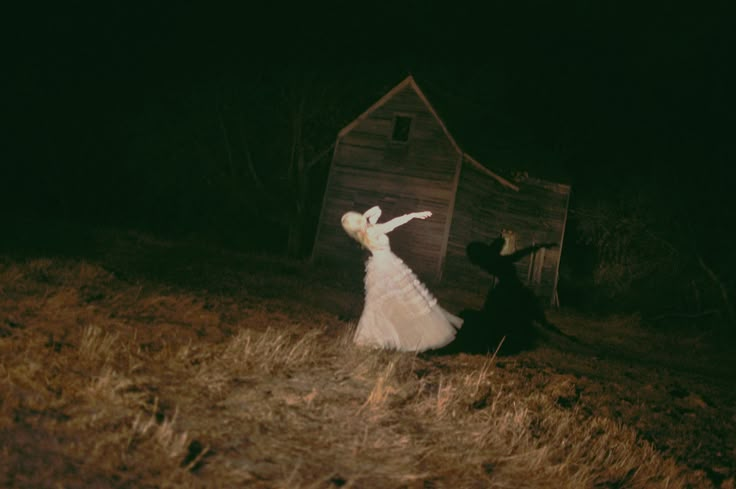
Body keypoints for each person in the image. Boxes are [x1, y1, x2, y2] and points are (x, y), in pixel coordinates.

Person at [340, 206, 462, 352]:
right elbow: (393, 222)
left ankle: (369, 336)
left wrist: (364, 218)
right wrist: (413, 214)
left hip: (381, 266)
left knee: (381, 302)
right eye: (359, 220)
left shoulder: (362, 233)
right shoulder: (372, 230)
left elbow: (377, 210)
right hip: (386, 267)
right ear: (358, 224)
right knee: (387, 302)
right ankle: (370, 337)